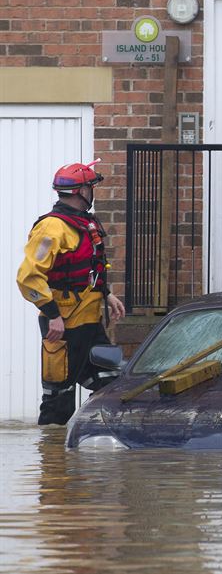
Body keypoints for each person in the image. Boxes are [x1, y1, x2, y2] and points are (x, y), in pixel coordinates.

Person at [17, 161, 126, 425]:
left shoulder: (84, 223)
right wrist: (52, 314)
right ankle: (53, 462)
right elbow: (28, 278)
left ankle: (95, 453)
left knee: (112, 386)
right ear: (81, 191)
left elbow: (88, 270)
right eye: (91, 187)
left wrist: (106, 294)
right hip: (63, 328)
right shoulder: (52, 228)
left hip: (89, 326)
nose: (93, 191)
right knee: (58, 403)